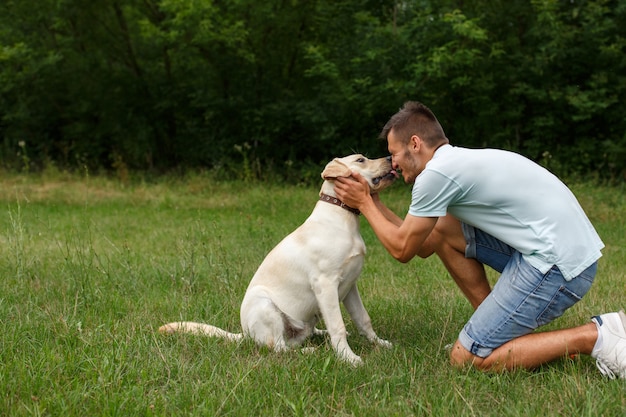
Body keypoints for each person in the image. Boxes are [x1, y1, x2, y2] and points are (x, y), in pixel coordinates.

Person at [334, 101, 626, 378]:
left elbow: (403, 250)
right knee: (445, 228)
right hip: (563, 254)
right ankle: (494, 330)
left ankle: (597, 335)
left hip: (559, 268)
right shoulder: (456, 162)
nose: (393, 164)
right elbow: (425, 244)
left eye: (393, 153)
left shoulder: (435, 175)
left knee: (467, 358)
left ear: (414, 143)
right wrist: (374, 201)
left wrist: (364, 203)